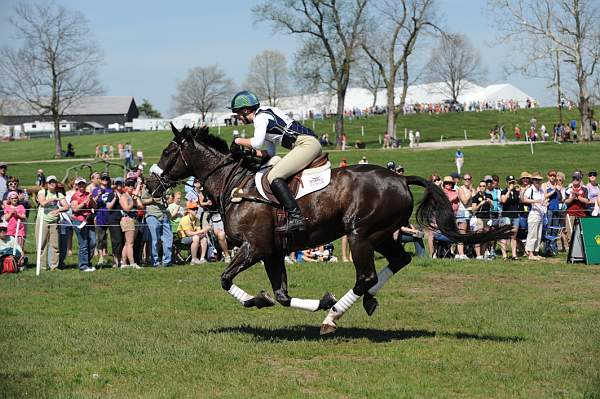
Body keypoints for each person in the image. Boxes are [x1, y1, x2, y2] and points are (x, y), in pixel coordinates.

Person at [229, 90, 321, 234]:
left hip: (306, 144)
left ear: (246, 110)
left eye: (239, 114)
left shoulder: (260, 118)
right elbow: (270, 152)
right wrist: (249, 152)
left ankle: (297, 218)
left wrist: (237, 141)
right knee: (274, 161)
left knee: (273, 176)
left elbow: (257, 143)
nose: (239, 118)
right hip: (305, 144)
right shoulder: (266, 113)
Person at [36, 175, 69, 271]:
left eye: (54, 182)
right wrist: (52, 199)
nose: (52, 184)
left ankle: (54, 266)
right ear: (47, 184)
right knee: (41, 244)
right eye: (50, 182)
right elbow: (42, 203)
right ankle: (42, 267)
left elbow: (66, 206)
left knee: (55, 244)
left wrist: (59, 210)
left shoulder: (59, 194)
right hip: (43, 220)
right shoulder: (42, 192)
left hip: (54, 221)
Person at [140, 184, 173, 267]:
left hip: (165, 215)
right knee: (154, 240)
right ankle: (155, 262)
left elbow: (169, 201)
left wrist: (167, 199)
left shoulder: (166, 187)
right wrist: (153, 200)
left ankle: (167, 261)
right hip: (153, 215)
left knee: (168, 238)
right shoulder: (149, 188)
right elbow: (143, 201)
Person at [70, 177, 97, 272]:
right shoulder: (75, 196)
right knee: (83, 243)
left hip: (89, 220)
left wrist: (91, 199)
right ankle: (83, 266)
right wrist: (85, 202)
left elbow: (95, 206)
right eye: (80, 184)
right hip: (79, 221)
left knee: (93, 242)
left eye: (83, 184)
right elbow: (75, 209)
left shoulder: (88, 194)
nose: (82, 186)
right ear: (77, 186)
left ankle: (87, 262)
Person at [522, 172, 547, 260]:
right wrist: (535, 201)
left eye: (539, 180)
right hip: (533, 214)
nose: (538, 181)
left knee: (538, 235)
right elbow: (524, 199)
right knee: (532, 234)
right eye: (536, 180)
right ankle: (530, 253)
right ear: (533, 180)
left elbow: (543, 201)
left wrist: (544, 204)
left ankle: (536, 252)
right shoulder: (530, 189)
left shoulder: (541, 190)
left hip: (541, 214)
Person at [92, 173, 113, 267]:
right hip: (100, 215)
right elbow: (93, 203)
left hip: (110, 215)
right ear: (100, 180)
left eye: (106, 179)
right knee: (100, 237)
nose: (105, 180)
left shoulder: (111, 190)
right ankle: (101, 256)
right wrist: (98, 195)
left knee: (111, 237)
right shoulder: (96, 190)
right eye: (103, 178)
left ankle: (112, 257)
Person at [564, 171, 591, 242]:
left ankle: (581, 248)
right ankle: (570, 249)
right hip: (570, 214)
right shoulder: (568, 189)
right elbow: (566, 201)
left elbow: (587, 201)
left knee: (582, 232)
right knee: (570, 232)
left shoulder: (584, 189)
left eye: (577, 178)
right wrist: (572, 198)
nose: (575, 180)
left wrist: (578, 196)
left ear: (580, 179)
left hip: (581, 214)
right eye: (574, 178)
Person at [500, 176, 521, 260]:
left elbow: (521, 200)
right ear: (507, 183)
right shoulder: (503, 191)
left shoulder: (516, 192)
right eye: (510, 182)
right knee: (504, 236)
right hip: (506, 216)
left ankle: (514, 255)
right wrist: (509, 190)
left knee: (513, 236)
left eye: (512, 182)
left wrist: (521, 191)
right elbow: (503, 200)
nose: (511, 184)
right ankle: (504, 255)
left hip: (515, 216)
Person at [471, 180, 493, 260]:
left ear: (486, 187)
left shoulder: (489, 195)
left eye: (484, 186)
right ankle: (478, 255)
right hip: (479, 218)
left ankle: (483, 254)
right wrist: (480, 204)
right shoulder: (475, 197)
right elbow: (473, 210)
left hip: (487, 218)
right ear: (479, 187)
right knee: (478, 235)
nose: (482, 187)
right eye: (480, 186)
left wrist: (490, 202)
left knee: (485, 236)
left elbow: (493, 207)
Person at [455, 173, 474, 259]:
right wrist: (470, 192)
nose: (467, 180)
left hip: (470, 213)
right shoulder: (461, 189)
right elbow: (465, 201)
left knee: (468, 233)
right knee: (462, 233)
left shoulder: (472, 189)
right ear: (463, 180)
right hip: (462, 212)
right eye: (465, 179)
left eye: (468, 179)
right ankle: (461, 254)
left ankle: (464, 252)